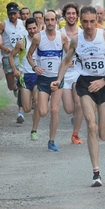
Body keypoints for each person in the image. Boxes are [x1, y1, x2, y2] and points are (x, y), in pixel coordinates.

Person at [51, 6, 105, 187]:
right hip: (85, 84)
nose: (89, 25)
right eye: (85, 21)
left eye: (92, 21)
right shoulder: (76, 40)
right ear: (80, 21)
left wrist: (104, 80)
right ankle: (96, 173)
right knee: (91, 126)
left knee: (104, 135)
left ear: (96, 21)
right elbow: (66, 61)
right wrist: (58, 80)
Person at [27, 11, 68, 151]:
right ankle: (43, 102)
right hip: (43, 80)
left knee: (54, 110)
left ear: (56, 21)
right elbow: (29, 56)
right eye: (47, 20)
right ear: (43, 21)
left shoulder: (62, 37)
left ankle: (51, 141)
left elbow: (69, 55)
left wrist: (69, 64)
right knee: (43, 112)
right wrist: (35, 67)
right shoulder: (38, 37)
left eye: (52, 20)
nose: (50, 22)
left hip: (57, 79)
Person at [0, 2, 27, 123]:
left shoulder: (23, 24)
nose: (12, 16)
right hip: (7, 57)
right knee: (11, 86)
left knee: (22, 83)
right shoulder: (3, 25)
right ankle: (15, 88)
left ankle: (20, 112)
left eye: (14, 14)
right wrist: (3, 47)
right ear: (7, 14)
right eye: (10, 14)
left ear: (18, 13)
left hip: (20, 57)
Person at [9, 17, 41, 141]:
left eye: (34, 28)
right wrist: (15, 70)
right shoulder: (22, 42)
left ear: (38, 27)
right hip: (25, 76)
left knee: (37, 103)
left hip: (38, 76)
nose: (32, 31)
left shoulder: (42, 40)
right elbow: (11, 56)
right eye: (29, 29)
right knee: (27, 109)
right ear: (26, 29)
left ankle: (34, 130)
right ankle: (29, 100)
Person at [60, 2, 84, 144]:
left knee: (79, 104)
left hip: (78, 72)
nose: (71, 16)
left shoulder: (82, 33)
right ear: (64, 16)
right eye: (68, 13)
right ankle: (75, 115)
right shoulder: (60, 33)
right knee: (69, 109)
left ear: (77, 16)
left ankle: (75, 134)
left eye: (73, 13)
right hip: (65, 73)